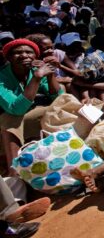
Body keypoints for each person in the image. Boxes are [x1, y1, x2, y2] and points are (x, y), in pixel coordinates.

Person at [0, 39, 63, 173]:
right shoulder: (2, 78)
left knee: (62, 106)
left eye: (29, 52)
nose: (24, 55)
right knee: (9, 122)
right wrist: (37, 77)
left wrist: (50, 73)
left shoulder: (35, 69)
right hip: (10, 118)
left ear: (35, 56)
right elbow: (15, 109)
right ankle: (16, 173)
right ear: (9, 58)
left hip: (30, 114)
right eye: (17, 53)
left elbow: (58, 99)